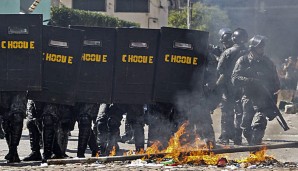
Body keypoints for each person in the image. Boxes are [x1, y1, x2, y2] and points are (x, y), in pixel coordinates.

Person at [232, 35, 280, 145]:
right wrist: (251, 81)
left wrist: (270, 95)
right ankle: (252, 145)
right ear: (253, 48)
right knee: (245, 126)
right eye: (260, 47)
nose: (262, 49)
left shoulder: (268, 62)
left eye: (263, 47)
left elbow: (276, 84)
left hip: (262, 98)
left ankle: (256, 146)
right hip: (247, 96)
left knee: (259, 123)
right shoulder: (243, 60)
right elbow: (235, 79)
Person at [216, 28, 248, 145]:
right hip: (243, 86)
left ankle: (225, 137)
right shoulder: (249, 52)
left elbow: (220, 69)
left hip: (228, 86)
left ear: (233, 38)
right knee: (240, 112)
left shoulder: (228, 52)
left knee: (226, 112)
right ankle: (237, 137)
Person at [0, 92, 27, 163]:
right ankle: (13, 153)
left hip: (19, 87)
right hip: (3, 89)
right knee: (5, 119)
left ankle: (13, 151)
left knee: (17, 116)